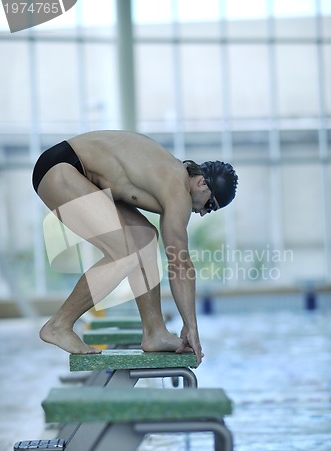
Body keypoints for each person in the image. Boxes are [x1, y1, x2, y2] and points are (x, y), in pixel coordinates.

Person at [32, 130, 238, 365]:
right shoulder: (177, 189)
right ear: (202, 182)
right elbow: (180, 263)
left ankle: (155, 333)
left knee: (144, 240)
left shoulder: (170, 177)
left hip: (76, 171)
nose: (202, 212)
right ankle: (59, 325)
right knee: (126, 253)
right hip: (62, 169)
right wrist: (191, 327)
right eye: (209, 205)